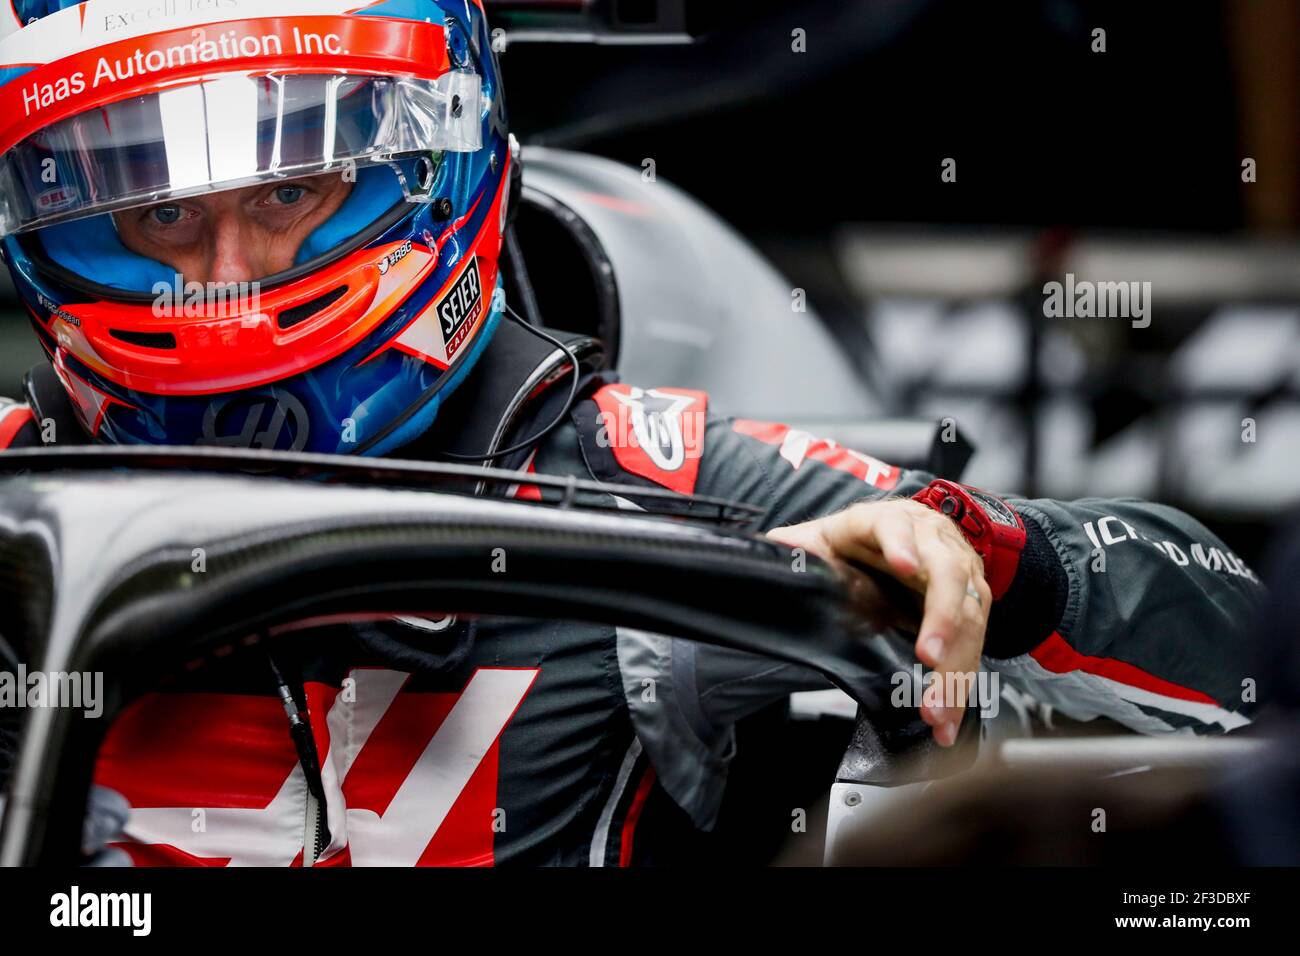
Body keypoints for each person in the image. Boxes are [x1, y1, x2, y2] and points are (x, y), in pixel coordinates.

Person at [0, 0, 1264, 866]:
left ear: (425, 162)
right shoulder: (16, 494)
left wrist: (993, 561)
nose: (230, 276)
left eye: (290, 190)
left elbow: (1249, 665)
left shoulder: (649, 483)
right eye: (158, 215)